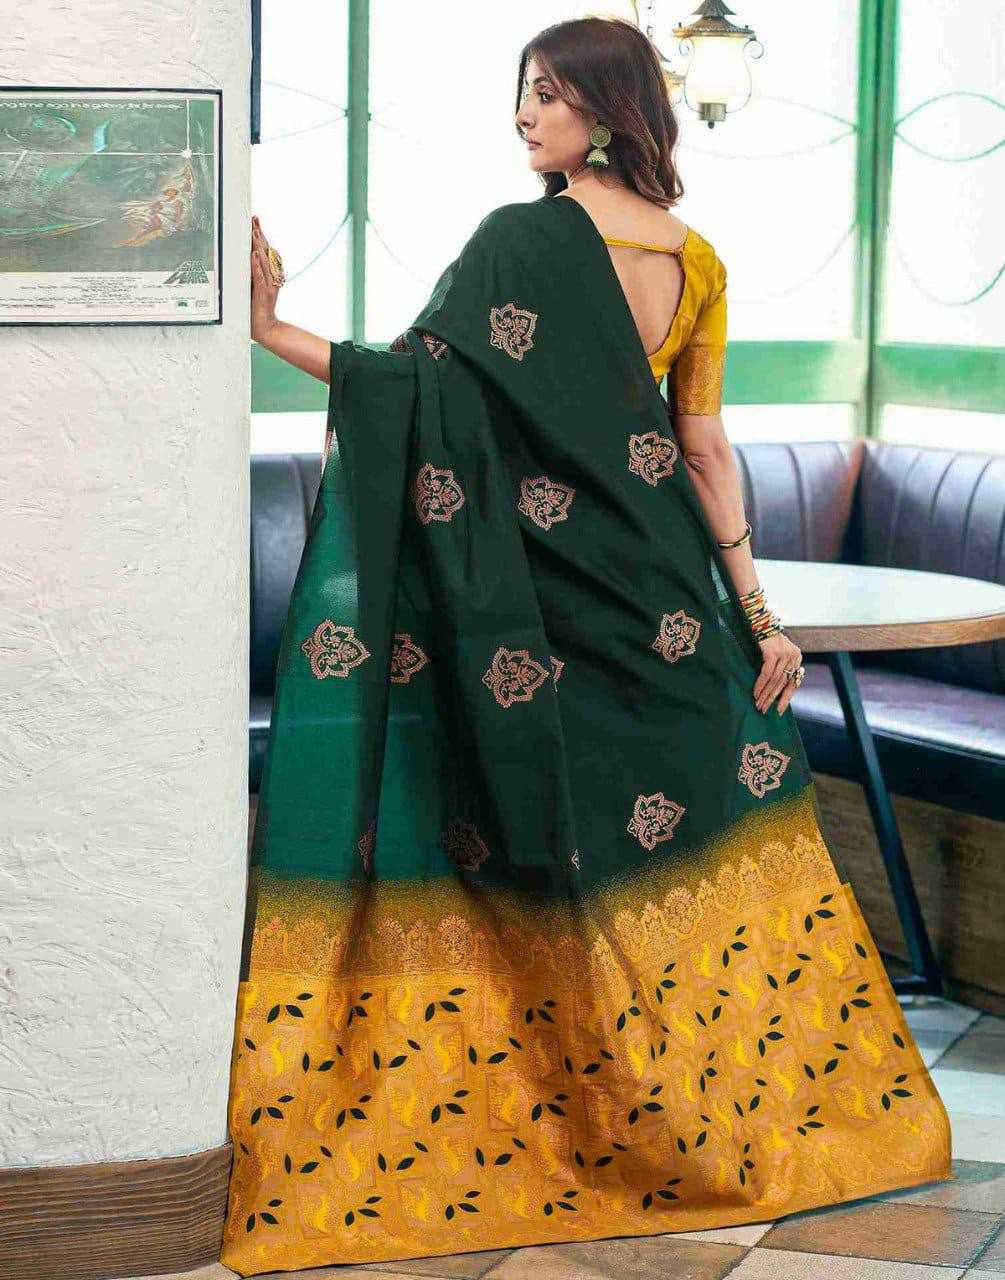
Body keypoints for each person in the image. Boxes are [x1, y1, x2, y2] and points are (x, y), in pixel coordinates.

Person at [221, 17, 950, 1277]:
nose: (526, 116)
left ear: (607, 111)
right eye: (523, 93)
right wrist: (756, 615)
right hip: (668, 607)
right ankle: (715, 1118)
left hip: (542, 612)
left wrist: (266, 328)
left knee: (554, 851)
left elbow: (408, 390)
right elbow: (705, 452)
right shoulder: (697, 260)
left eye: (549, 95)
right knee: (685, 857)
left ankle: (581, 1121)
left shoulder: (519, 241)